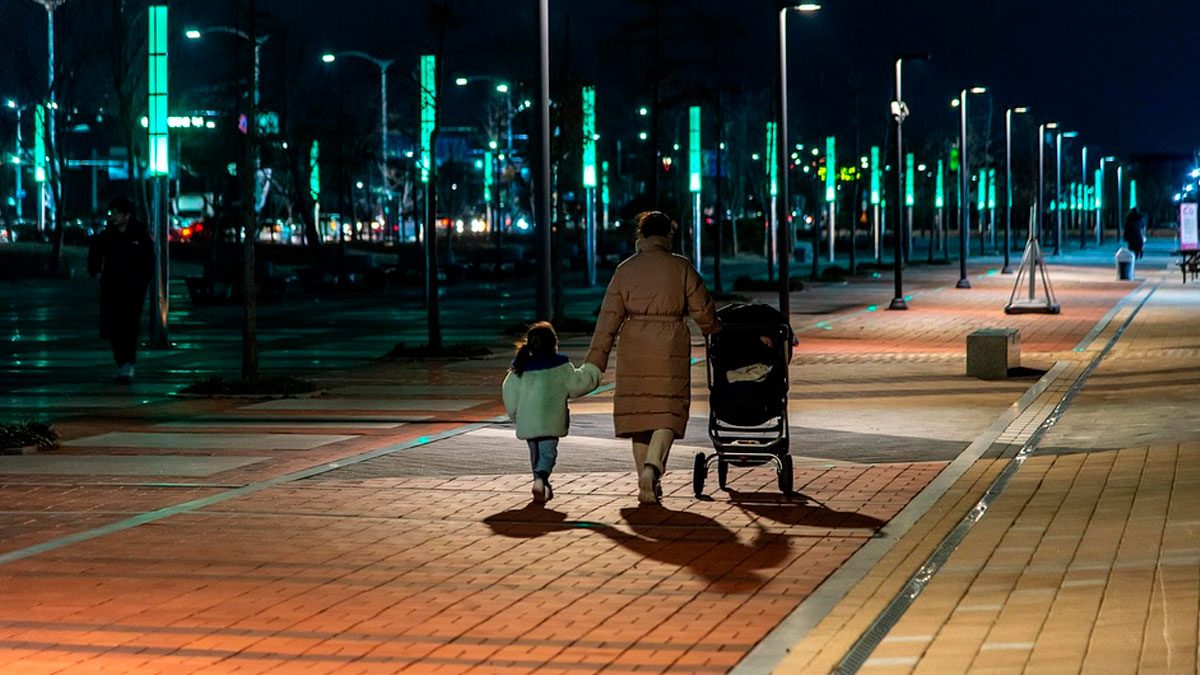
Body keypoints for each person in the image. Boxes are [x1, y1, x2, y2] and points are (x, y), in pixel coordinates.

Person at [584, 211, 721, 505]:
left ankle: (645, 481)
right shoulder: (680, 267)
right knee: (667, 415)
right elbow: (705, 314)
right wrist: (717, 328)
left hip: (633, 345)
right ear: (667, 236)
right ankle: (652, 469)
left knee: (640, 417)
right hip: (669, 345)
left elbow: (608, 319)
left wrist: (596, 361)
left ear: (641, 236)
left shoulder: (625, 270)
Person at [502, 321, 602, 503]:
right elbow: (578, 384)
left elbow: (509, 392)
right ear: (554, 345)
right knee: (548, 453)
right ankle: (541, 478)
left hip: (528, 422)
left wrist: (515, 414)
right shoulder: (561, 367)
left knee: (535, 453)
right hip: (551, 421)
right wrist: (593, 371)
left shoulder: (520, 368)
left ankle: (539, 482)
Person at [87, 196, 154, 383]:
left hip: (133, 289)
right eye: (112, 213)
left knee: (129, 325)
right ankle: (122, 362)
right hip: (112, 287)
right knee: (114, 327)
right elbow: (95, 252)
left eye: (117, 213)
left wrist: (142, 281)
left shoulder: (139, 234)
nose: (114, 216)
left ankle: (128, 362)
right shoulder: (108, 235)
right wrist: (96, 271)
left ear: (127, 215)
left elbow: (149, 260)